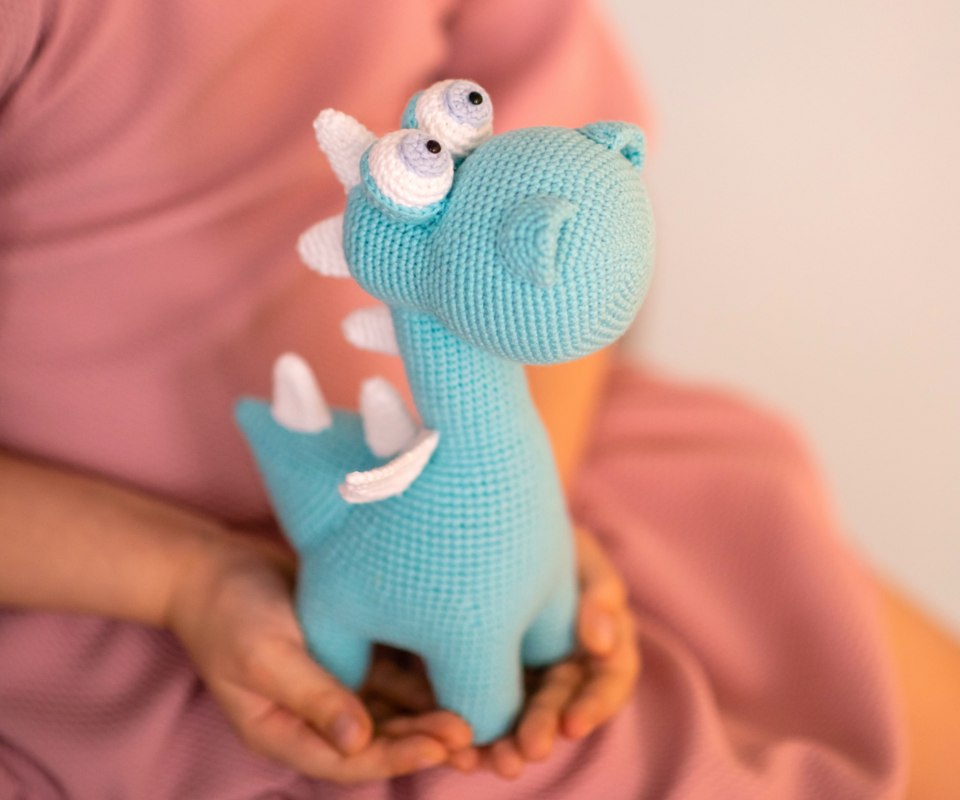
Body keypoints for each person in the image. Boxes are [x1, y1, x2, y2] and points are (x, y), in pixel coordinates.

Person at [0, 0, 912, 797]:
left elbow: (567, 171)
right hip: (107, 570)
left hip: (541, 456)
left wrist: (524, 513)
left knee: (819, 629)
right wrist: (188, 578)